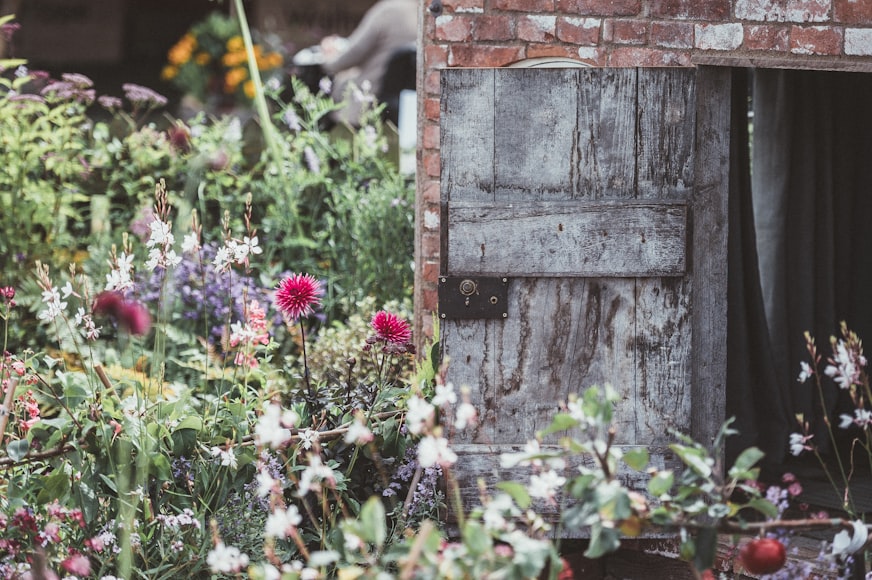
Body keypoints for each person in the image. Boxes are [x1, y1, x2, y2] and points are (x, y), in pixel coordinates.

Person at [320, 0, 417, 126]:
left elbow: (353, 54)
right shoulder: (426, 14)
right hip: (403, 103)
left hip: (367, 96)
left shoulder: (389, 10)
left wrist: (328, 59)